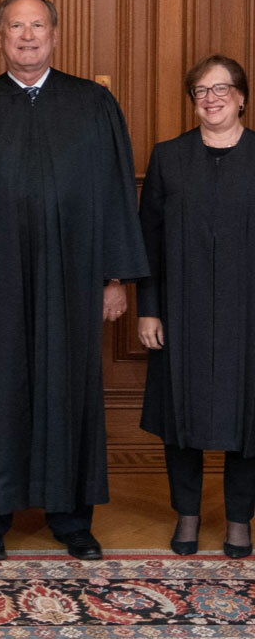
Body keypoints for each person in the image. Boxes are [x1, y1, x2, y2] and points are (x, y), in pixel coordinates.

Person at [0, 0, 148, 561]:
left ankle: (71, 517)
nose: (27, 37)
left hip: (72, 278)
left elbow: (113, 194)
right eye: (15, 27)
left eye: (37, 26)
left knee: (67, 388)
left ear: (54, 33)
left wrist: (114, 278)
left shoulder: (93, 105)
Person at [137, 54, 255, 559]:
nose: (211, 98)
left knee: (248, 421)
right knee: (179, 417)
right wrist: (149, 309)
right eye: (200, 91)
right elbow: (148, 243)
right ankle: (187, 515)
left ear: (243, 97)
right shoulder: (168, 157)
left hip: (247, 315)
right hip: (180, 311)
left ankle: (238, 521)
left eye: (221, 88)